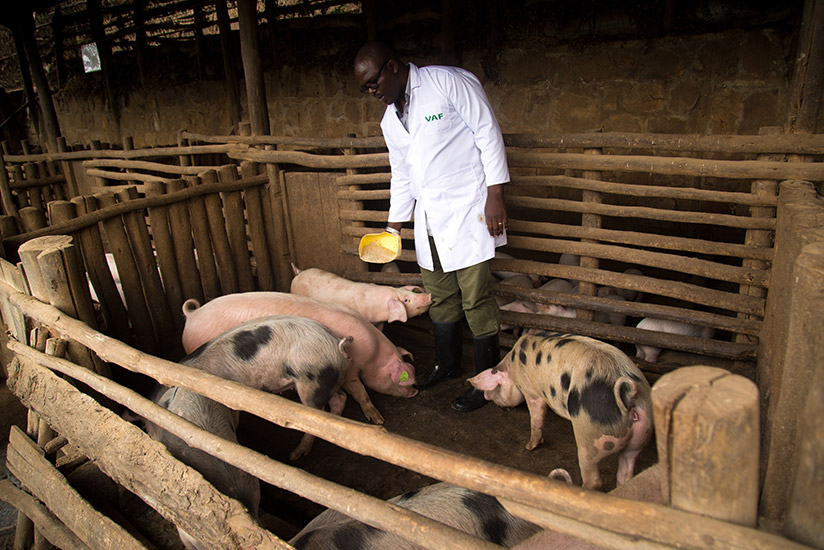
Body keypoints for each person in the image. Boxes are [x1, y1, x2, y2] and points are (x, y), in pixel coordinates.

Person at [354, 42, 509, 412]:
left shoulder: (447, 83)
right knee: (441, 296)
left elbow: (487, 131)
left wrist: (496, 193)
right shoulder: (390, 120)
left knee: (476, 298)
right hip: (429, 221)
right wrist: (393, 227)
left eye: (373, 83)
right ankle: (447, 363)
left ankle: (486, 381)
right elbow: (402, 176)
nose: (372, 92)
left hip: (468, 209)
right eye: (365, 88)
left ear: (392, 67)